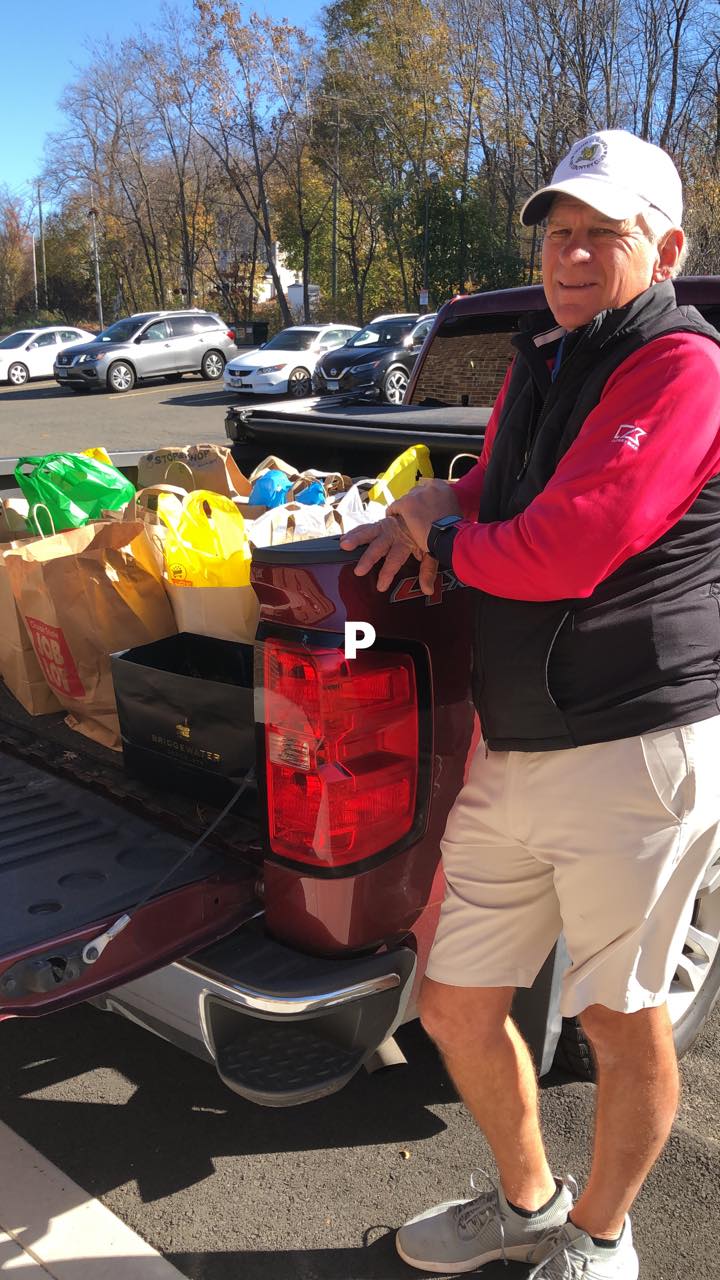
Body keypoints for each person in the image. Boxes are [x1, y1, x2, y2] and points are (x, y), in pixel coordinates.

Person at [340, 128, 720, 1279]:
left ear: (667, 247)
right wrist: (436, 498)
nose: (571, 252)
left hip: (634, 744)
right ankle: (529, 1198)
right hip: (521, 741)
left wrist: (447, 540)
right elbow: (505, 483)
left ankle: (603, 1238)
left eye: (602, 233)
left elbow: (572, 542)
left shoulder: (684, 367)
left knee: (616, 1016)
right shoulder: (546, 356)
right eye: (559, 231)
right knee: (453, 997)